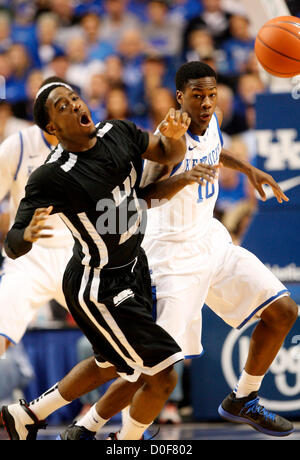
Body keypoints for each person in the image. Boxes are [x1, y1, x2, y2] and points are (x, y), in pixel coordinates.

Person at [63, 60, 297, 439]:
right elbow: (144, 194)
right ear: (179, 98)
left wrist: (248, 169)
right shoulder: (169, 137)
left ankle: (243, 398)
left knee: (284, 311)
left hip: (210, 240)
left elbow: (214, 151)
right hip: (171, 255)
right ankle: (92, 429)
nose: (206, 103)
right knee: (148, 369)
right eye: (197, 96)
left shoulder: (213, 119)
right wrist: (185, 176)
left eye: (211, 95)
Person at [1, 77, 193, 441]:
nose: (74, 105)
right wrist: (23, 235)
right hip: (99, 284)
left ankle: (29, 416)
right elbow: (12, 244)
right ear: (52, 129)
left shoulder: (117, 132)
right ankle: (125, 442)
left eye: (74, 98)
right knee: (163, 374)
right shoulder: (51, 175)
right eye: (62, 106)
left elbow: (167, 154)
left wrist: (174, 136)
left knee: (111, 364)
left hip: (134, 266)